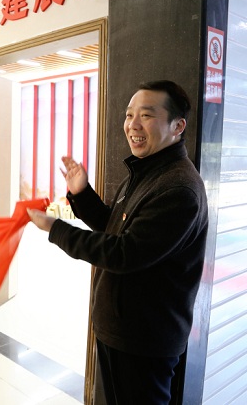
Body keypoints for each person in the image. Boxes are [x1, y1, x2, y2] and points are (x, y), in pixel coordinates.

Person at [27, 80, 208, 404]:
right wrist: (82, 193)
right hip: (121, 330)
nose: (133, 125)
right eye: (129, 114)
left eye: (146, 115)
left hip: (144, 340)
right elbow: (116, 229)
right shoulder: (146, 171)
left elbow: (124, 253)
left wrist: (57, 229)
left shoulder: (178, 188)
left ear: (177, 126)